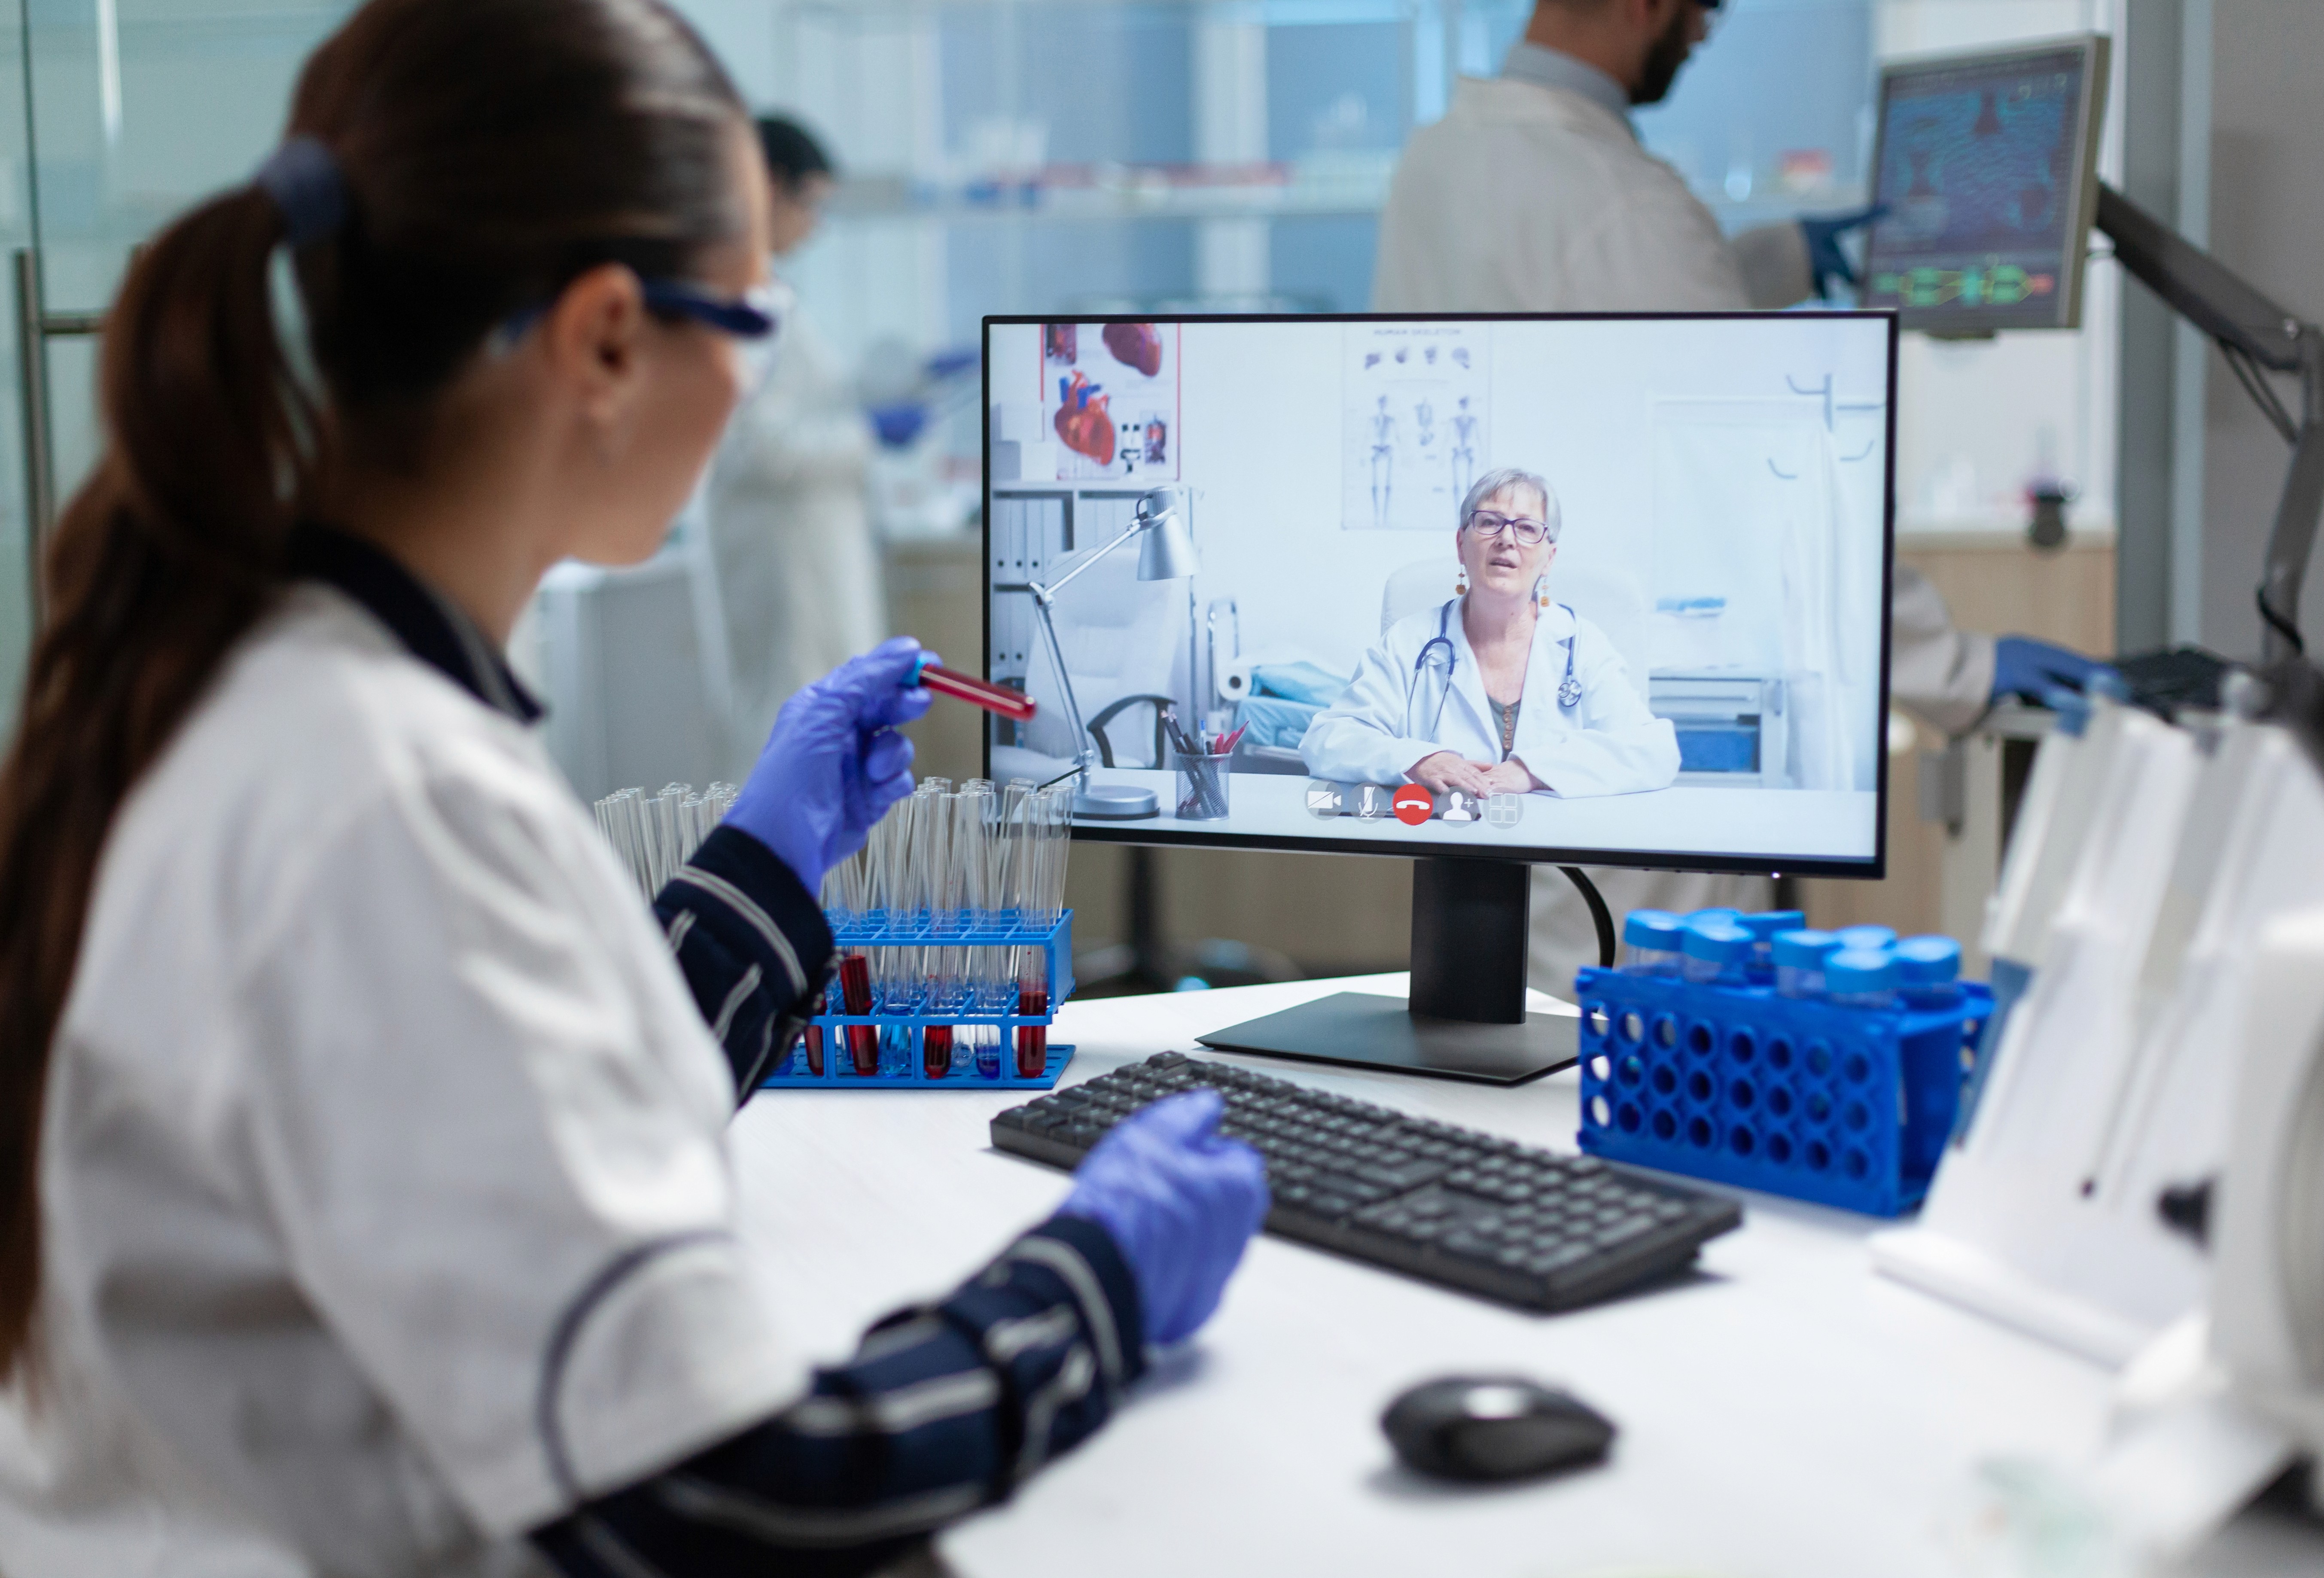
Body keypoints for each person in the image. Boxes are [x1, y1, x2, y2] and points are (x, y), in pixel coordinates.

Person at [0, 4, 1265, 1575]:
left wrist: (762, 871)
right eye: (755, 317)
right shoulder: (378, 794)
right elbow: (731, 1494)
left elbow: (505, 1121)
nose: (755, 376)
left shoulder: (278, 683)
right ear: (608, 338)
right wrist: (1095, 1287)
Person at [1371, 0, 2112, 982]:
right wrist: (1952, 666)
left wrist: (1774, 259)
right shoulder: (1618, 202)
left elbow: (1583, 328)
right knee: (1641, 1034)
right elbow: (1776, 494)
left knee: (1512, 1014)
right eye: (1703, 9)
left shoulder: (1443, 157)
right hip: (1620, 721)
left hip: (1492, 684)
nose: (1706, 32)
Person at [1301, 468, 1677, 799]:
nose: (1507, 539)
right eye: (1489, 522)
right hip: (1441, 843)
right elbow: (1328, 741)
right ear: (1461, 544)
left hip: (1553, 850)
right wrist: (1418, 760)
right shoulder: (1410, 641)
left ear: (1549, 558)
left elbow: (1654, 750)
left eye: (1528, 528)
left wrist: (1533, 772)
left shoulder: (1581, 644)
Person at [704, 112, 889, 774]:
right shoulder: (744, 298)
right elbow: (756, 445)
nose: (813, 224)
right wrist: (868, 435)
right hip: (784, 567)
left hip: (805, 557)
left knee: (823, 746)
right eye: (809, 203)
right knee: (789, 747)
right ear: (770, 185)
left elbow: (797, 409)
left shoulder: (768, 293)